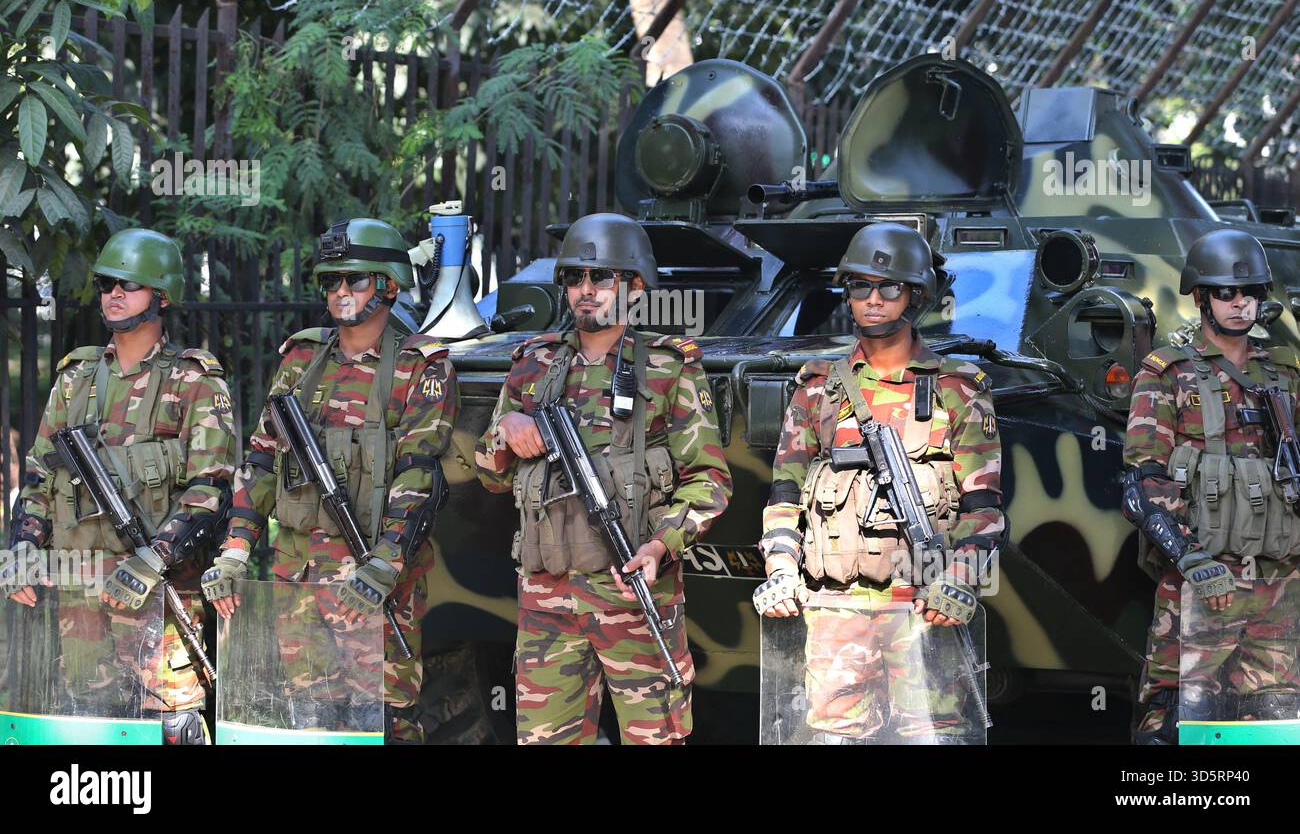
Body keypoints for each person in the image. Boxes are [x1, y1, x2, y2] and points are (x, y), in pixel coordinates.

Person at [475, 212, 731, 744]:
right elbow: (490, 474)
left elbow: (709, 480)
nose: (585, 291)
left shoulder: (666, 367)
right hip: (546, 598)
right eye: (574, 279)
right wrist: (507, 428)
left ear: (634, 287)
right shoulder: (532, 365)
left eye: (602, 278)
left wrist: (662, 546)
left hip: (634, 592)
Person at [201, 218, 457, 743]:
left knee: (386, 722)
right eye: (331, 281)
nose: (341, 292)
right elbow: (264, 458)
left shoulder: (420, 366)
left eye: (356, 280)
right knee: (309, 722)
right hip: (299, 579)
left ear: (388, 284)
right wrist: (233, 550)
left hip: (375, 584)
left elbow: (419, 475)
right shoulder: (301, 358)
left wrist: (384, 566)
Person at [753, 222, 1004, 741]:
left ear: (916, 296)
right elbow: (784, 496)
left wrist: (957, 579)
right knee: (833, 736)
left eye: (889, 287)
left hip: (925, 607)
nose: (872, 299)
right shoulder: (819, 389)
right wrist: (780, 570)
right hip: (834, 609)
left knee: (930, 734)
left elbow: (985, 510)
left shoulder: (956, 390)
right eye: (859, 286)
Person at [1, 228, 235, 744]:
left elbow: (211, 488)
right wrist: (21, 545)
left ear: (163, 295)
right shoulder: (75, 378)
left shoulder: (193, 381)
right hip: (79, 586)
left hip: (158, 589)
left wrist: (154, 557)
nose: (115, 294)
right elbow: (40, 474)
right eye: (108, 283)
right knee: (89, 722)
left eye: (131, 284)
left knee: (169, 722)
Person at [1124, 228, 1300, 744]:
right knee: (1172, 717)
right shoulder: (1168, 373)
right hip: (1201, 581)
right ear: (1201, 297)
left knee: (1272, 720)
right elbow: (1143, 481)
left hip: (1280, 582)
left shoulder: (1287, 372)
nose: (1239, 302)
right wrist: (1191, 558)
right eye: (1225, 292)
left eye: (1249, 293)